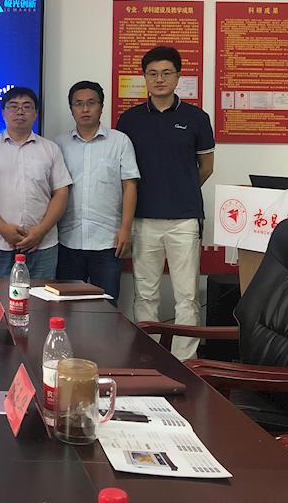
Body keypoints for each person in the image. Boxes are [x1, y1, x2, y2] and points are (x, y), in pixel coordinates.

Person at [116, 47, 214, 360]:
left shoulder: (197, 118)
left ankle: (185, 360)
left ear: (178, 76)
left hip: (184, 220)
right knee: (145, 294)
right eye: (153, 73)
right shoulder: (129, 120)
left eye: (166, 73)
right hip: (144, 219)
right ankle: (149, 357)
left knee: (187, 295)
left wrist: (180, 189)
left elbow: (206, 167)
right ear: (145, 77)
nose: (160, 79)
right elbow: (123, 172)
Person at [0, 87, 71, 279]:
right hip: (4, 242)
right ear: (3, 112)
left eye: (27, 106)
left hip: (43, 243)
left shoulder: (50, 149)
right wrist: (3, 229)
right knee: (3, 295)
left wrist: (41, 231)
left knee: (42, 296)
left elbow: (61, 192)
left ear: (35, 113)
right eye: (13, 106)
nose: (20, 112)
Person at [57, 81, 139, 301]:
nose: (85, 109)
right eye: (79, 104)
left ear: (101, 107)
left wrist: (126, 229)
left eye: (91, 103)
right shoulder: (59, 144)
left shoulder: (120, 141)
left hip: (108, 241)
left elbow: (130, 186)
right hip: (68, 240)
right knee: (66, 307)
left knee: (106, 307)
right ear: (71, 108)